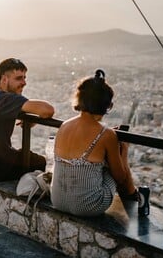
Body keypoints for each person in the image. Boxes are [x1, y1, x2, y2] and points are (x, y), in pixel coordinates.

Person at [51, 69, 138, 217]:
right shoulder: (106, 134)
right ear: (106, 105)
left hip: (58, 200)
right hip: (88, 206)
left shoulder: (64, 125)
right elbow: (120, 177)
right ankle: (135, 200)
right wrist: (123, 150)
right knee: (109, 168)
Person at [0, 58, 55, 182]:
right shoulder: (7, 99)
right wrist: (32, 116)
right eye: (19, 78)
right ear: (4, 79)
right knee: (43, 162)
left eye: (25, 78)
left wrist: (22, 113)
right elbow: (48, 110)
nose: (24, 82)